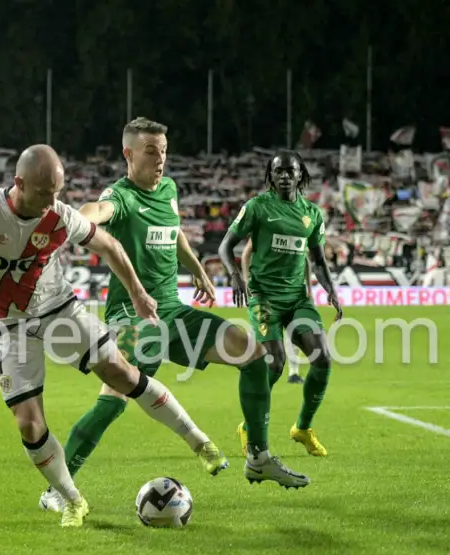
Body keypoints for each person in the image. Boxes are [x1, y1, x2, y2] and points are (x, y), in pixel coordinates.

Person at [0, 144, 232, 528]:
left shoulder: (60, 215)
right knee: (29, 423)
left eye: (58, 192)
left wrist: (137, 292)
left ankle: (199, 441)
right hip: (6, 325)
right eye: (45, 192)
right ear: (19, 183)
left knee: (122, 374)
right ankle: (71, 499)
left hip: (58, 311)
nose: (52, 201)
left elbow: (109, 245)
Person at [39, 118, 311, 514]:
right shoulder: (121, 196)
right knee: (113, 400)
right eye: (151, 151)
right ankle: (55, 489)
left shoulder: (168, 189)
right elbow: (95, 210)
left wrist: (196, 267)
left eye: (164, 151)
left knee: (254, 356)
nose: (161, 159)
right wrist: (72, 221)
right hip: (131, 317)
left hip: (175, 313)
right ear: (128, 154)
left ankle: (258, 457)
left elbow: (175, 229)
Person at [218, 150, 343, 459]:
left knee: (323, 359)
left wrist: (331, 290)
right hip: (264, 298)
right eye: (278, 171)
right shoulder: (257, 208)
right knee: (274, 363)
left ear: (301, 175)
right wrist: (235, 277)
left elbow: (318, 259)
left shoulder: (312, 214)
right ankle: (249, 426)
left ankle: (302, 428)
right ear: (270, 176)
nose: (285, 175)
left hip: (297, 298)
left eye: (290, 170)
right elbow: (225, 246)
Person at [241, 238, 312, 385]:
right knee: (264, 333)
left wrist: (308, 288)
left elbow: (305, 259)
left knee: (291, 331)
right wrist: (246, 281)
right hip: (265, 290)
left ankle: (293, 373)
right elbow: (247, 253)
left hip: (289, 290)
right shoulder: (265, 227)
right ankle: (248, 355)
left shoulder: (294, 230)